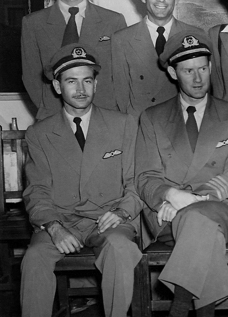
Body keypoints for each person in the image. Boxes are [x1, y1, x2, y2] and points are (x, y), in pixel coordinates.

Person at [21, 44, 142, 317]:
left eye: (87, 80)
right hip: (62, 221)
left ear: (96, 84)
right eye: (71, 81)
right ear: (56, 86)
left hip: (108, 219)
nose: (80, 89)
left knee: (120, 248)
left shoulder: (123, 124)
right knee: (34, 258)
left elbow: (136, 179)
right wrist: (53, 227)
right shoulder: (40, 133)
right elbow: (37, 191)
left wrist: (123, 211)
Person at [135, 29, 228, 317]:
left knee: (197, 219)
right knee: (199, 227)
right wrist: (171, 196)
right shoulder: (153, 118)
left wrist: (197, 199)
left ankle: (180, 307)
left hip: (222, 207)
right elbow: (146, 176)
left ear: (211, 67)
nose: (198, 79)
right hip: (167, 213)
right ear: (173, 73)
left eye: (203, 68)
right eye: (188, 71)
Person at [22, 0, 126, 120]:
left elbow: (121, 77)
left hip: (105, 118)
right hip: (54, 119)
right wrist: (51, 113)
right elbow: (31, 78)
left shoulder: (113, 21)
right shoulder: (33, 24)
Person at [112, 0, 199, 116]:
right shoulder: (122, 40)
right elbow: (122, 98)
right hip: (140, 128)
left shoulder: (194, 36)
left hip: (181, 126)